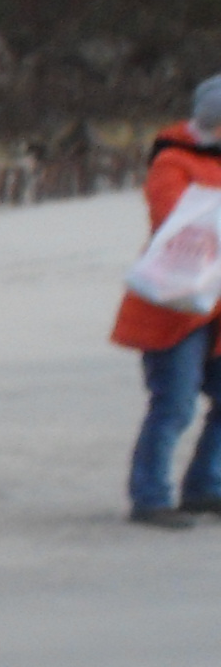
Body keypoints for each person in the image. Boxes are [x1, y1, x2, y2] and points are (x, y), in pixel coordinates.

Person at [113, 75, 221, 528]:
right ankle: (150, 496)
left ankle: (205, 487)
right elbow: (172, 221)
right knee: (174, 404)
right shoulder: (173, 160)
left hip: (216, 305)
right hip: (176, 303)